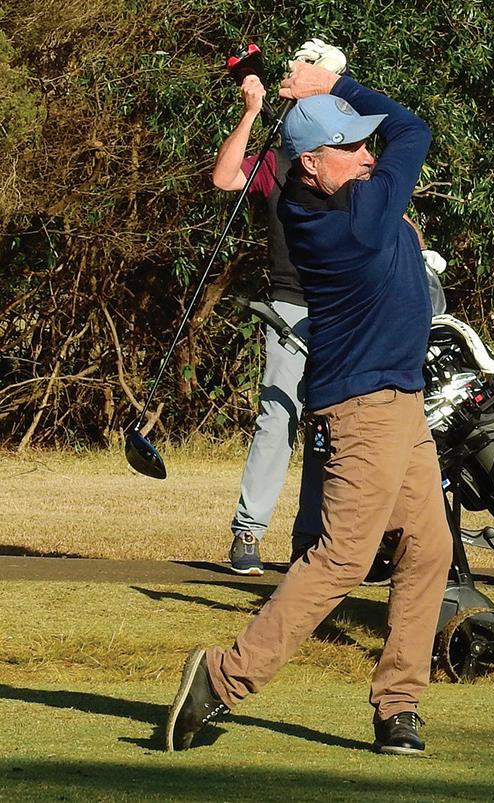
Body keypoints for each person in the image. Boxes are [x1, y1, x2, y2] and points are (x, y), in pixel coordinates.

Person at [165, 59, 453, 756]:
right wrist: (336, 86)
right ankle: (222, 677)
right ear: (310, 164)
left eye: (363, 144)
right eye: (348, 147)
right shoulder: (356, 217)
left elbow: (392, 138)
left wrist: (328, 102)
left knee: (430, 546)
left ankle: (398, 706)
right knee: (342, 559)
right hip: (364, 410)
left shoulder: (322, 197)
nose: (366, 156)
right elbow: (414, 129)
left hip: (398, 403)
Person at [213, 40, 347, 574]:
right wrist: (250, 113)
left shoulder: (353, 156)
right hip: (290, 304)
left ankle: (310, 540)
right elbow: (225, 177)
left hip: (341, 310)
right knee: (279, 417)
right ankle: (248, 531)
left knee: (329, 427)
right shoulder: (278, 159)